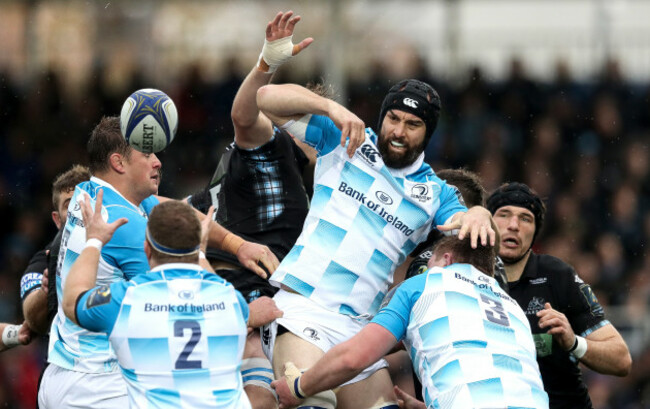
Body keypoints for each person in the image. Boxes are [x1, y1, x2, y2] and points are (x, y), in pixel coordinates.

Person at [256, 79, 496, 408]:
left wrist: (481, 212)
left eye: (413, 124)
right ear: (382, 118)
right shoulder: (345, 140)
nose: (399, 131)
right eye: (393, 118)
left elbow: (468, 227)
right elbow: (266, 98)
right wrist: (330, 107)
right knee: (311, 404)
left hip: (359, 332)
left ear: (428, 133)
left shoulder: (436, 193)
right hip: (302, 311)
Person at [38, 116, 279, 409]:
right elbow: (187, 307)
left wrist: (235, 245)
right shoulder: (126, 226)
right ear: (119, 163)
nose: (158, 162)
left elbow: (174, 210)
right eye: (147, 153)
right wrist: (249, 313)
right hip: (101, 387)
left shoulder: (93, 192)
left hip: (63, 368)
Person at [187, 11, 313, 408]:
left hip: (218, 290)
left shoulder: (242, 170)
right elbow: (243, 113)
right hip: (245, 296)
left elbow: (178, 216)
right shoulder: (274, 146)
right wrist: (267, 64)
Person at [272, 236, 549, 409]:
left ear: (447, 259)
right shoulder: (514, 309)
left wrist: (300, 386)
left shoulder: (426, 283)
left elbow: (353, 359)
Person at [61, 196, 283, 408]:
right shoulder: (229, 299)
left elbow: (73, 302)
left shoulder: (124, 300)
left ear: (146, 249)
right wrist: (201, 252)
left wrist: (93, 241)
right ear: (198, 247)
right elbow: (211, 282)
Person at [486, 182, 632, 409]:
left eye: (525, 218)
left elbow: (621, 359)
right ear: (488, 224)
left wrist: (574, 343)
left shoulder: (557, 276)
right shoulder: (468, 276)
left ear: (535, 233)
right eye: (504, 215)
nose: (513, 225)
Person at [21, 164, 91, 335]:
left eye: (83, 200)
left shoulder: (123, 248)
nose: (77, 209)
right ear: (57, 219)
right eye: (70, 204)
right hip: (65, 357)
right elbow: (33, 320)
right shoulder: (44, 260)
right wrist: (46, 291)